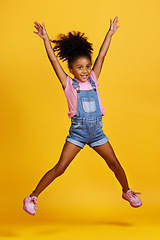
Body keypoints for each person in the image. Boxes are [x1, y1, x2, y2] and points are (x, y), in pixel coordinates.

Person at [23, 16, 142, 216]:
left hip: (96, 133)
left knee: (114, 164)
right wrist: (45, 39)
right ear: (71, 69)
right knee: (60, 168)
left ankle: (127, 191)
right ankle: (32, 196)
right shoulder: (68, 83)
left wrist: (110, 34)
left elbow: (102, 56)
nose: (85, 71)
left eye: (87, 66)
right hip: (78, 134)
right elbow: (53, 60)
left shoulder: (94, 79)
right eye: (79, 67)